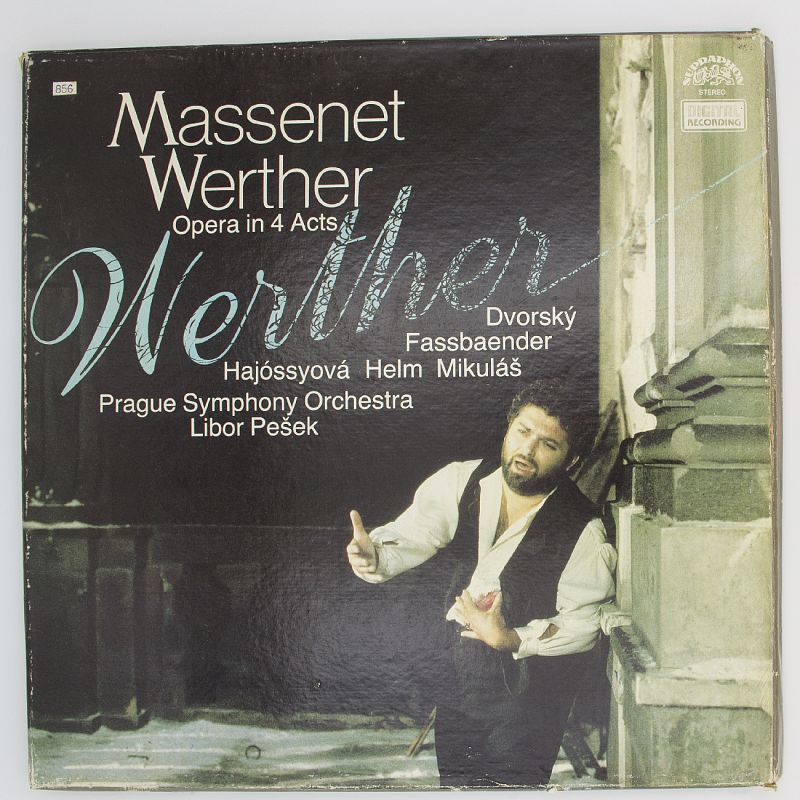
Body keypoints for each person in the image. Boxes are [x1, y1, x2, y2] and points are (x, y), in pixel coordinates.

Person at [346, 380, 617, 788]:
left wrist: (511, 638)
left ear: (572, 459)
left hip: (528, 697)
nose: (527, 450)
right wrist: (374, 555)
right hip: (459, 680)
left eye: (548, 444)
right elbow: (412, 534)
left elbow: (584, 624)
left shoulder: (583, 530)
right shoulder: (463, 480)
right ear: (508, 429)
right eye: (523, 432)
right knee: (455, 787)